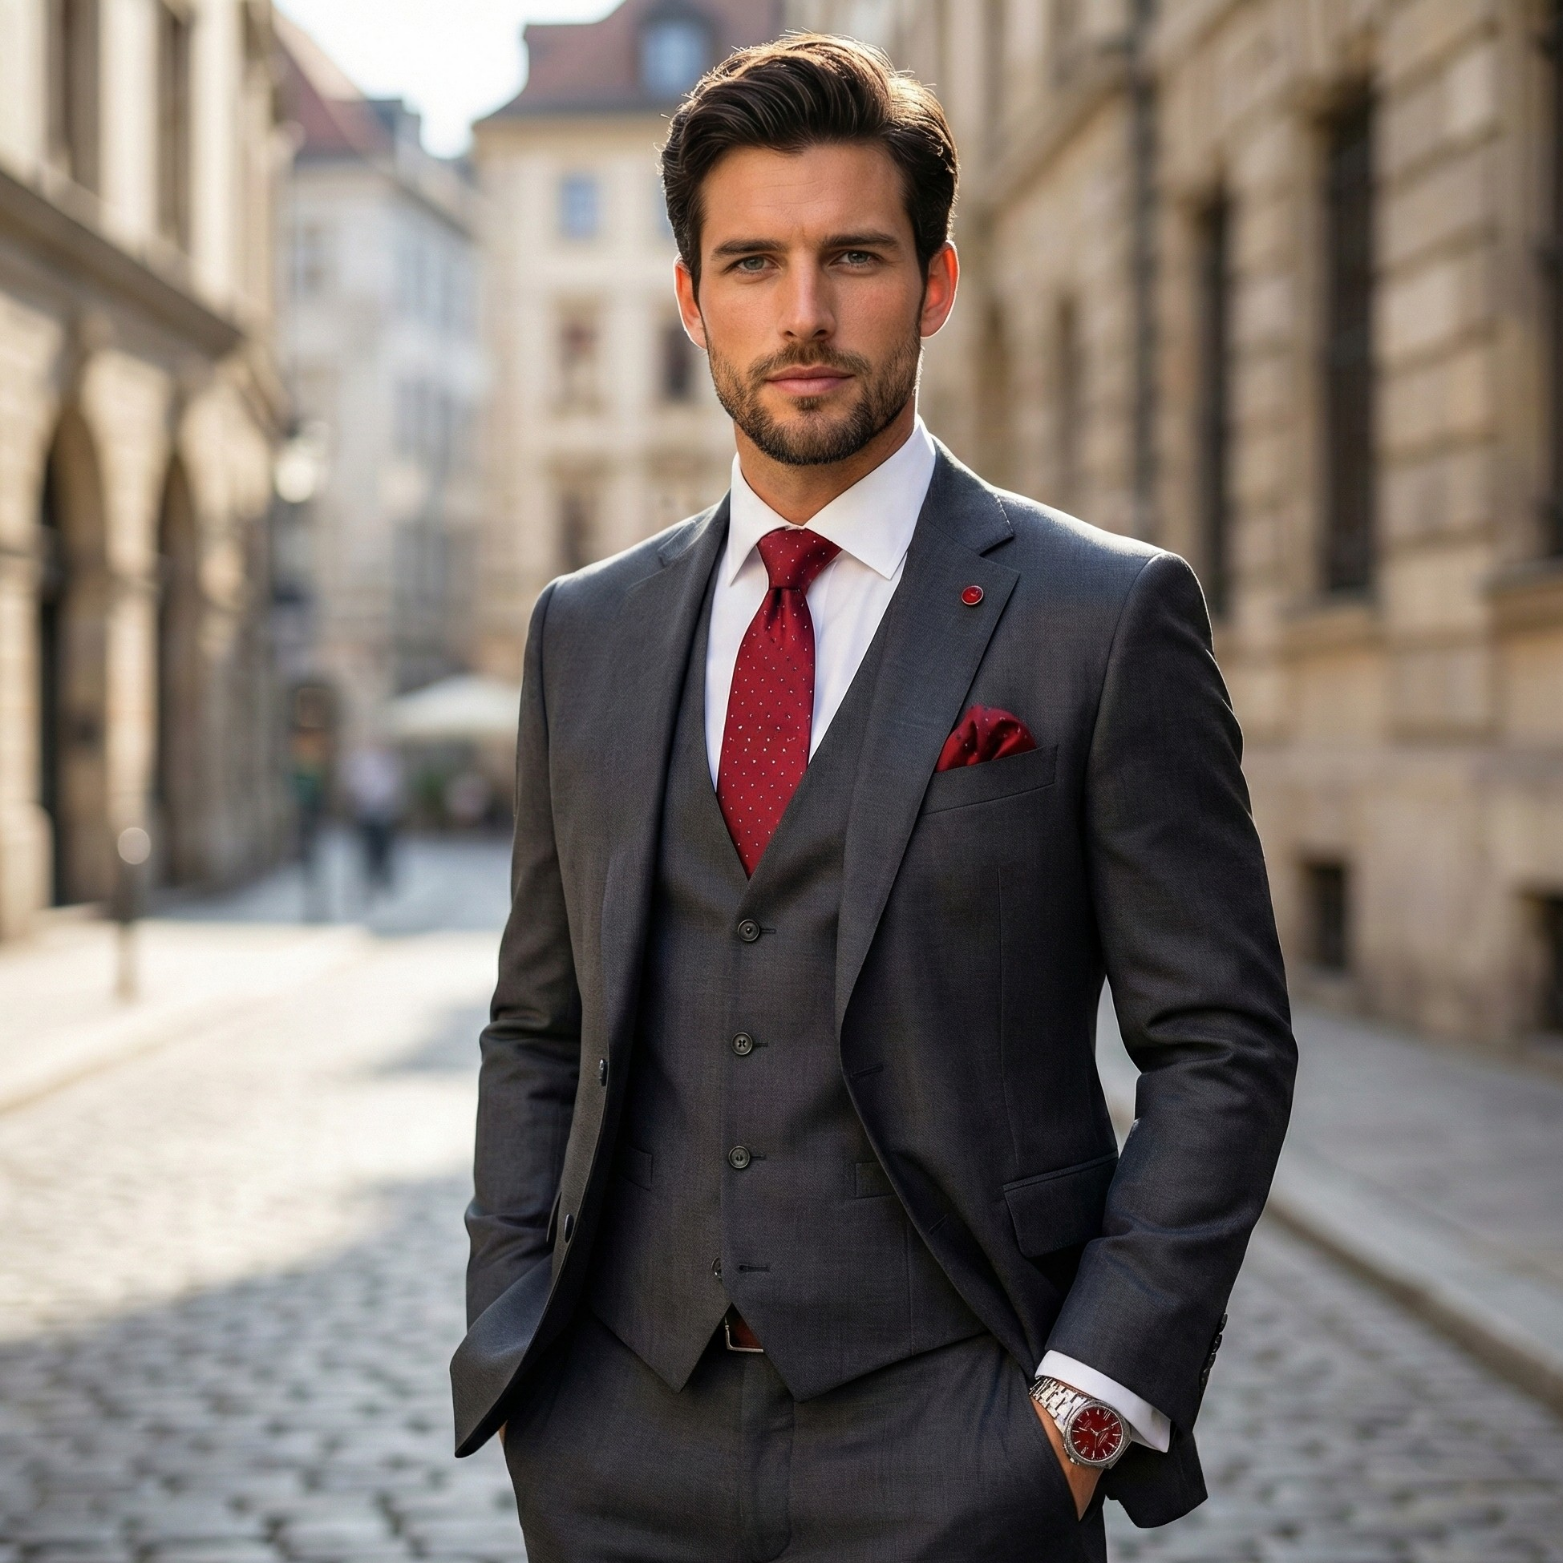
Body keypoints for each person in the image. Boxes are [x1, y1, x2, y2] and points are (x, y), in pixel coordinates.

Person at [452, 35, 1295, 1563]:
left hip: (962, 1454)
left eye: (853, 255)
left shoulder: (1096, 618)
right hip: (619, 1447)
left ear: (934, 283)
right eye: (753, 263)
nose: (804, 313)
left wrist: (1081, 1414)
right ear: (691, 299)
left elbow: (1220, 1043)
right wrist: (518, 1347)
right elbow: (540, 1023)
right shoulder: (587, 630)